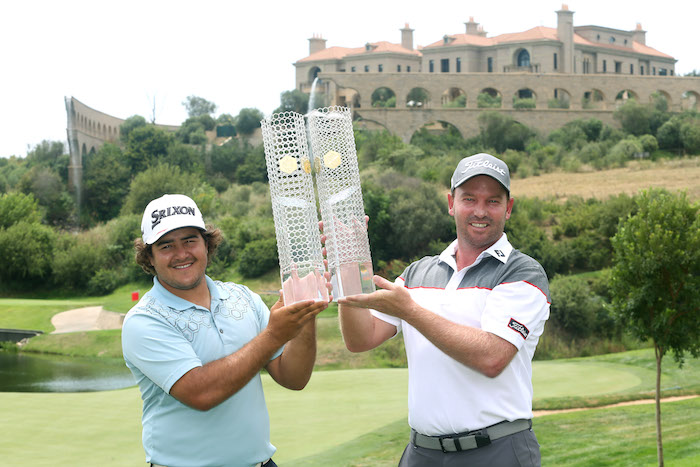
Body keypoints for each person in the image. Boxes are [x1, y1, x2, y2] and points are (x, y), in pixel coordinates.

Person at [337, 153, 551, 466]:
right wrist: (347, 266)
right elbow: (360, 339)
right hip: (421, 453)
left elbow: (492, 357)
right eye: (469, 199)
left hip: (497, 452)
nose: (480, 211)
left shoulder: (523, 272)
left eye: (492, 201)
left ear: (509, 208)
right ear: (451, 203)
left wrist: (410, 311)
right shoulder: (416, 273)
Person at [122, 194, 328, 467]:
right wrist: (275, 335)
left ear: (207, 244)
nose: (181, 253)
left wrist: (305, 310)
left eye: (190, 241)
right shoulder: (144, 320)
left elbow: (293, 377)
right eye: (166, 245)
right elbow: (201, 394)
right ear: (149, 256)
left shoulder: (242, 297)